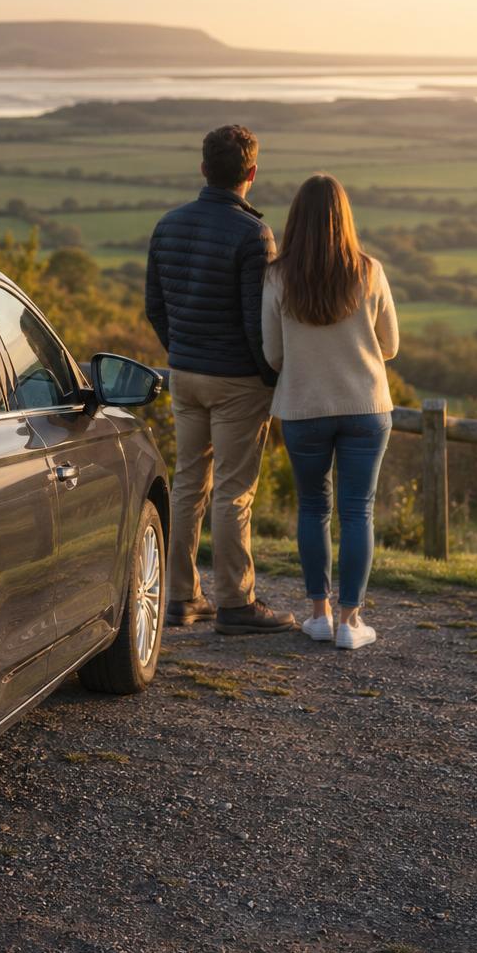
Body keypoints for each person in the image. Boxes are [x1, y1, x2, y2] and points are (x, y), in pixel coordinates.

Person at [146, 125, 295, 635]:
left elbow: (153, 307)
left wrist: (182, 350)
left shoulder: (168, 225)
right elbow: (260, 322)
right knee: (234, 491)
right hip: (237, 380)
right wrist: (267, 376)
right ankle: (236, 603)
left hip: (184, 374)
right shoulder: (254, 234)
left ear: (204, 168)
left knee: (189, 483)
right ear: (251, 174)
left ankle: (182, 598)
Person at [261, 174, 399, 651]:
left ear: (296, 219)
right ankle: (349, 622)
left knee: (313, 508)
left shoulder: (278, 276)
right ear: (345, 218)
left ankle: (318, 615)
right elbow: (392, 345)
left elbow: (272, 355)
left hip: (304, 408)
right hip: (365, 405)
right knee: (358, 511)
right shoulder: (370, 270)